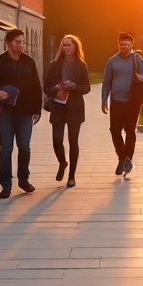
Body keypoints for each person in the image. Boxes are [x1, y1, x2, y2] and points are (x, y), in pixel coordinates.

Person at [0, 29, 44, 198]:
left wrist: (37, 110)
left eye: (23, 42)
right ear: (10, 43)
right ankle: (6, 184)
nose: (22, 45)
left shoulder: (29, 62)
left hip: (25, 113)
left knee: (24, 147)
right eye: (19, 42)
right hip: (5, 114)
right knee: (6, 148)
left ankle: (23, 180)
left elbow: (36, 88)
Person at [43, 34, 91, 188]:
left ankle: (72, 176)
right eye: (64, 45)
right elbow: (46, 87)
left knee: (73, 142)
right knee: (57, 140)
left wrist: (74, 87)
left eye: (69, 45)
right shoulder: (55, 65)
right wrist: (56, 88)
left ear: (75, 46)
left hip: (75, 108)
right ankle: (62, 162)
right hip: (58, 106)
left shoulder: (80, 65)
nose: (66, 48)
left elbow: (87, 87)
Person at [101, 32, 143, 178]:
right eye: (121, 44)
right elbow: (107, 81)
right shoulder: (112, 61)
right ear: (118, 44)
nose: (124, 46)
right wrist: (104, 100)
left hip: (133, 101)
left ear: (131, 45)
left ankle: (128, 159)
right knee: (115, 130)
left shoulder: (137, 59)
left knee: (130, 131)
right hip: (116, 101)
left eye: (127, 44)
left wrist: (140, 77)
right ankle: (121, 157)